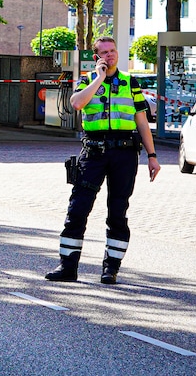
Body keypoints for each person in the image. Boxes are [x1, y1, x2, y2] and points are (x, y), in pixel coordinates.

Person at [45, 36, 160, 284]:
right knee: (78, 209)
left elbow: (142, 121)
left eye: (113, 51)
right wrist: (98, 78)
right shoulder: (88, 81)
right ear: (97, 57)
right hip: (94, 152)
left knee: (118, 212)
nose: (110, 55)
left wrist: (152, 156)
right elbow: (76, 103)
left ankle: (111, 269)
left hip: (125, 153)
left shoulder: (130, 82)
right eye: (105, 52)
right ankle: (68, 267)